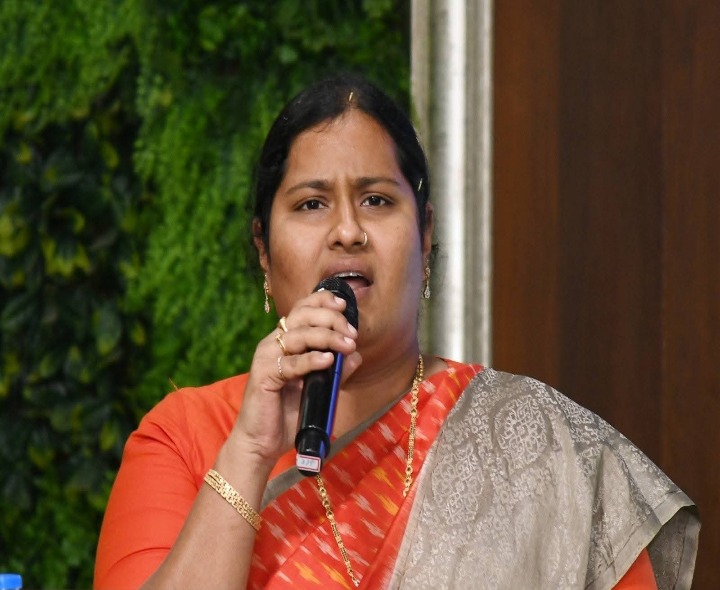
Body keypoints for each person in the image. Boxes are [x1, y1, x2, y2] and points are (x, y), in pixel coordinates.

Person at [94, 74, 699, 590]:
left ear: (425, 235)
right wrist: (250, 452)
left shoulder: (540, 446)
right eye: (311, 204)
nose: (347, 231)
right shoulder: (182, 440)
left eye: (377, 200)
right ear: (263, 251)